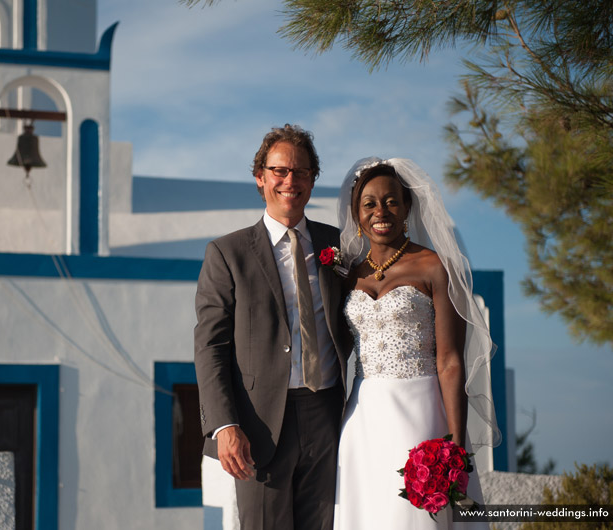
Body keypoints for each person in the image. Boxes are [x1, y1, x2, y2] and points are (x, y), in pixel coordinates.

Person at [194, 124, 353, 530]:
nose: (290, 181)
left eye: (301, 172)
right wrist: (225, 425)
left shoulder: (338, 249)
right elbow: (210, 346)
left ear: (313, 180)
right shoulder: (227, 253)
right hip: (258, 425)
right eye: (280, 170)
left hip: (327, 414)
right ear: (260, 177)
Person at [332, 157, 500, 529]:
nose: (381, 211)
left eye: (392, 201)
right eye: (370, 203)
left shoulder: (434, 267)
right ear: (357, 214)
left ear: (407, 206)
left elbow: (451, 361)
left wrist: (454, 447)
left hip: (419, 412)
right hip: (361, 417)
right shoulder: (349, 275)